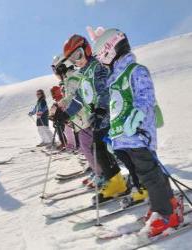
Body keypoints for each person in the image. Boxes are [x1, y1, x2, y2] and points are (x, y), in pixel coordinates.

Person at [93, 28, 182, 236]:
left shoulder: (135, 70)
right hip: (123, 139)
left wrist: (137, 117)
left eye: (100, 55)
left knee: (149, 174)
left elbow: (146, 97)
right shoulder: (114, 79)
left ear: (110, 50)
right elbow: (116, 108)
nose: (100, 60)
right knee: (146, 175)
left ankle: (166, 213)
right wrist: (112, 135)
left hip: (139, 134)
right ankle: (167, 203)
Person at [57, 34, 129, 202]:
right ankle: (116, 182)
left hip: (110, 115)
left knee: (123, 149)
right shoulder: (83, 74)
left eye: (78, 55)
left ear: (87, 49)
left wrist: (101, 109)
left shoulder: (97, 67)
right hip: (98, 118)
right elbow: (80, 98)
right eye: (72, 59)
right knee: (100, 150)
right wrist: (66, 114)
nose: (77, 61)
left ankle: (147, 179)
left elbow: (105, 89)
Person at [49, 86, 67, 150]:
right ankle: (63, 142)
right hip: (58, 118)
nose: (52, 94)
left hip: (61, 118)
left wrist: (52, 113)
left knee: (61, 131)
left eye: (52, 92)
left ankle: (64, 143)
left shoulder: (60, 99)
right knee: (59, 131)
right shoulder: (57, 99)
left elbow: (58, 108)